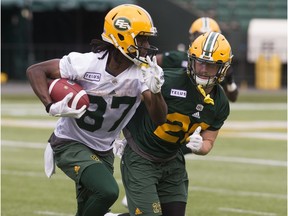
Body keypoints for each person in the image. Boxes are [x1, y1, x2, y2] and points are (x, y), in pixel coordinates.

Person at [26, 4, 167, 216]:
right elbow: (36, 71)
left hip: (103, 150)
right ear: (122, 37)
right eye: (141, 39)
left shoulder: (142, 74)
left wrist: (156, 91)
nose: (146, 46)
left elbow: (159, 118)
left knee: (90, 209)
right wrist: (50, 105)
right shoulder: (87, 64)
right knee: (108, 191)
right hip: (70, 142)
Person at [112, 31, 232, 216]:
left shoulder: (220, 102)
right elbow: (125, 94)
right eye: (199, 61)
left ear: (223, 68)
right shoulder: (168, 80)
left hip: (172, 160)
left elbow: (209, 142)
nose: (203, 69)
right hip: (141, 156)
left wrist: (199, 147)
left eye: (211, 65)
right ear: (191, 60)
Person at [156, 17, 238, 103]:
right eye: (200, 35)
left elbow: (233, 98)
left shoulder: (217, 64)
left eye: (210, 35)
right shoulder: (179, 57)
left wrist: (230, 80)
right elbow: (153, 61)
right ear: (192, 38)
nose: (206, 41)